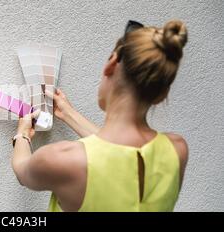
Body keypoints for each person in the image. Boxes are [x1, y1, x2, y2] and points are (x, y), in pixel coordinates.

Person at [11, 20, 189, 212]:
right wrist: (69, 115)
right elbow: (118, 156)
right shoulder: (176, 150)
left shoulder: (61, 160)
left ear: (111, 64)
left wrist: (22, 135)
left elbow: (22, 170)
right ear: (161, 94)